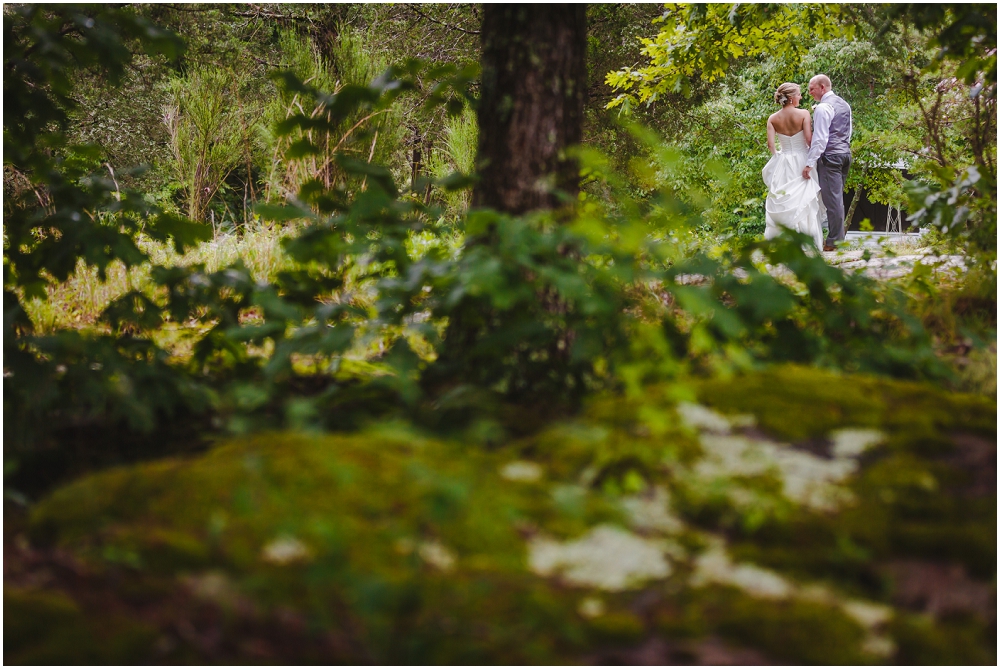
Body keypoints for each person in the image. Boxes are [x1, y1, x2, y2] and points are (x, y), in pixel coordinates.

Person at [762, 82, 825, 250]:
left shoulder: (773, 118)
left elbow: (770, 145)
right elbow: (809, 140)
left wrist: (778, 158)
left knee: (783, 202)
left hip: (783, 162)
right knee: (804, 202)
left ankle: (782, 246)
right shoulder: (804, 113)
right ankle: (807, 246)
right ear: (790, 98)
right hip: (802, 160)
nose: (801, 97)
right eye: (798, 94)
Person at [802, 74, 852, 252]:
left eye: (812, 88)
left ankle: (834, 243)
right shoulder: (844, 104)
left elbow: (820, 139)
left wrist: (810, 163)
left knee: (833, 202)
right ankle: (836, 240)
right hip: (845, 155)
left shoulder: (823, 108)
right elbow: (848, 131)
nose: (809, 92)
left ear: (822, 87)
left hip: (830, 157)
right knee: (836, 200)